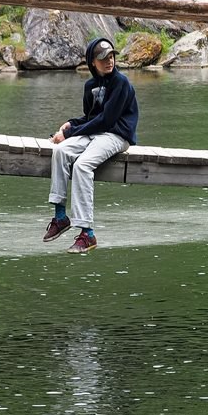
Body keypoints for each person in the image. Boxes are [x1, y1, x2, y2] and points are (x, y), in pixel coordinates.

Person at [43, 37, 139, 253]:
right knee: (59, 151)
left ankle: (88, 234)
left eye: (112, 56)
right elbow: (91, 118)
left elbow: (107, 120)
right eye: (103, 58)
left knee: (82, 165)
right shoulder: (90, 86)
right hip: (96, 133)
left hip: (117, 135)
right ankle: (60, 216)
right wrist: (68, 127)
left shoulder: (121, 83)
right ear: (92, 62)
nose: (109, 61)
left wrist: (70, 133)